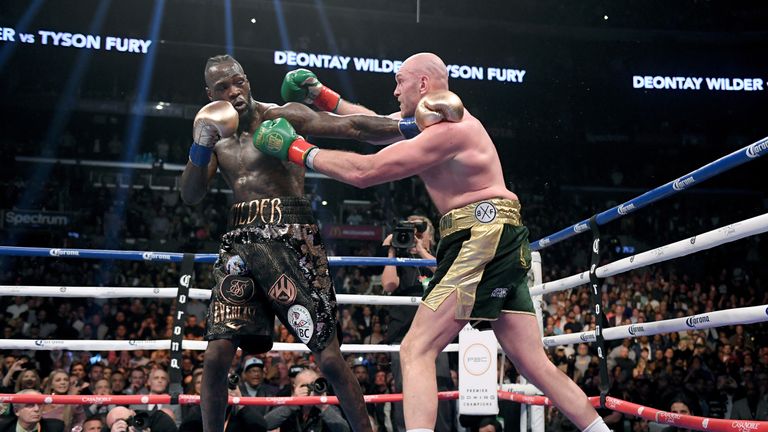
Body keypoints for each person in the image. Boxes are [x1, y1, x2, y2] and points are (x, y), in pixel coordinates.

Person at [253, 52, 611, 432]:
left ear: (423, 84)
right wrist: (320, 95)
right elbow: (368, 127)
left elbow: (365, 171)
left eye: (400, 82)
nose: (394, 90)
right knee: (533, 364)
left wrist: (298, 151)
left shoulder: (451, 129)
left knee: (416, 348)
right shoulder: (428, 123)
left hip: (482, 235)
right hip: (488, 236)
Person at [180, 54, 406, 432]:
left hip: (291, 236)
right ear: (210, 94)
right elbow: (190, 193)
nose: (233, 92)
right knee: (217, 356)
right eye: (222, 87)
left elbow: (351, 126)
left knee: (330, 359)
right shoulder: (214, 135)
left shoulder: (282, 116)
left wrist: (411, 126)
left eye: (239, 81)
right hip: (239, 242)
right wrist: (200, 144)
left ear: (248, 80)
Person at [380, 216, 455, 432]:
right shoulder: (400, 261)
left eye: (419, 232)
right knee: (405, 390)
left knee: (438, 387)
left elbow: (447, 277)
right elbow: (389, 284)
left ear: (430, 236)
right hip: (402, 334)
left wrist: (421, 251)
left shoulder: (440, 256)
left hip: (435, 334)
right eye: (410, 233)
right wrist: (393, 251)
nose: (414, 237)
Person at [264, 369, 350, 432]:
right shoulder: (285, 406)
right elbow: (265, 424)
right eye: (304, 386)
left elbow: (344, 430)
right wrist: (293, 403)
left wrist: (323, 407)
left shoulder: (329, 408)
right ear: (295, 388)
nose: (309, 390)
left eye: (313, 385)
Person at [0, 390, 65, 432]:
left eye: (39, 404)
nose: (36, 409)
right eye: (30, 405)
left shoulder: (56, 428)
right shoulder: (2, 428)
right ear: (16, 411)